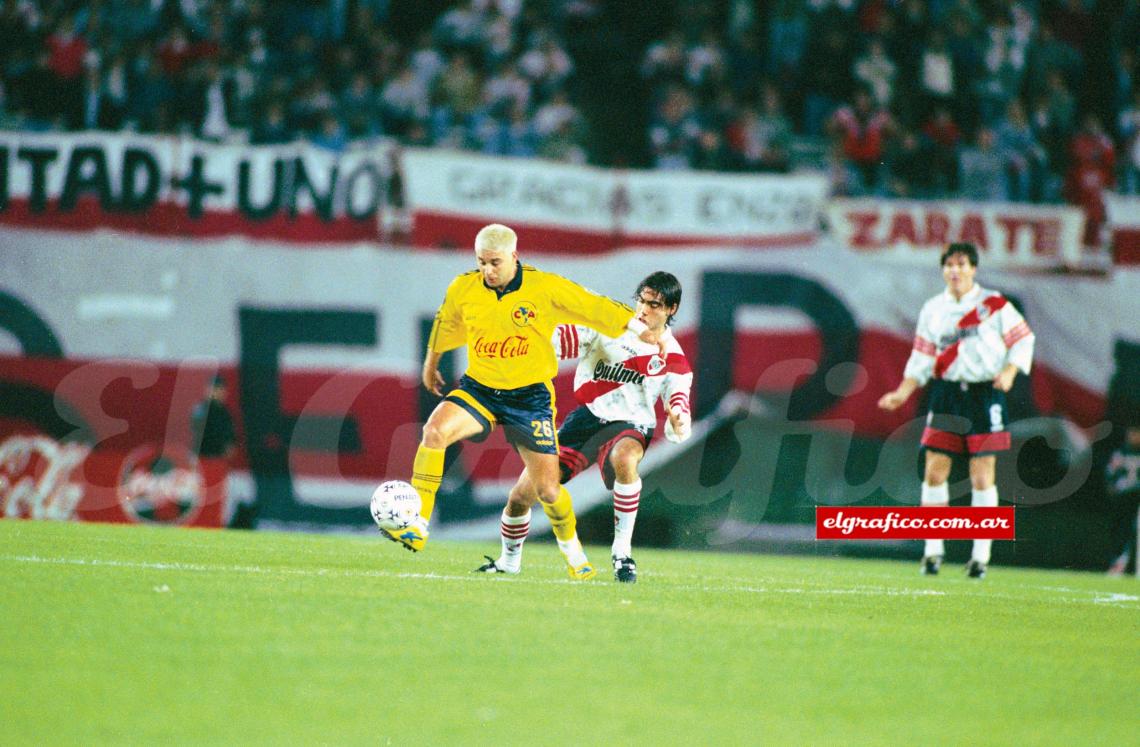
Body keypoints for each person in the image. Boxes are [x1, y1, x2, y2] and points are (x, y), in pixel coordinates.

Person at [386, 224, 667, 581]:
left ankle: (576, 556)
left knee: (547, 490)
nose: (487, 270)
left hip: (529, 399)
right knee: (434, 431)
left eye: (495, 262)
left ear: (514, 257)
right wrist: (430, 364)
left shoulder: (544, 287)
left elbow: (594, 306)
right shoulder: (464, 287)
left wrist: (640, 330)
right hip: (481, 390)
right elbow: (446, 323)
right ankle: (417, 523)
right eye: (482, 262)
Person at [475, 272, 693, 583]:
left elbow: (679, 402)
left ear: (671, 309)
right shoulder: (609, 324)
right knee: (522, 495)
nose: (643, 310)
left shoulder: (675, 359)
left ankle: (622, 553)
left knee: (624, 458)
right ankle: (509, 561)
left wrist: (678, 418)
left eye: (654, 305)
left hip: (631, 424)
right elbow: (562, 341)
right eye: (641, 301)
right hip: (586, 420)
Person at [878, 242, 1035, 579]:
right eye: (949, 264)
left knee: (982, 474)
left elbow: (1023, 339)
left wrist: (1009, 372)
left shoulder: (994, 305)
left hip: (984, 394)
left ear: (973, 269)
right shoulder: (933, 309)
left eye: (961, 263)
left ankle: (980, 557)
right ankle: (932, 552)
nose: (955, 270)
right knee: (935, 471)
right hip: (947, 394)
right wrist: (902, 391)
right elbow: (921, 357)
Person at [1105, 425, 1140, 577]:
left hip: (1137, 497)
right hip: (1123, 498)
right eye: (1132, 433)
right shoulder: (1120, 453)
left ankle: (1131, 565)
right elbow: (1110, 473)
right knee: (1120, 531)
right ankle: (1118, 564)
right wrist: (1112, 487)